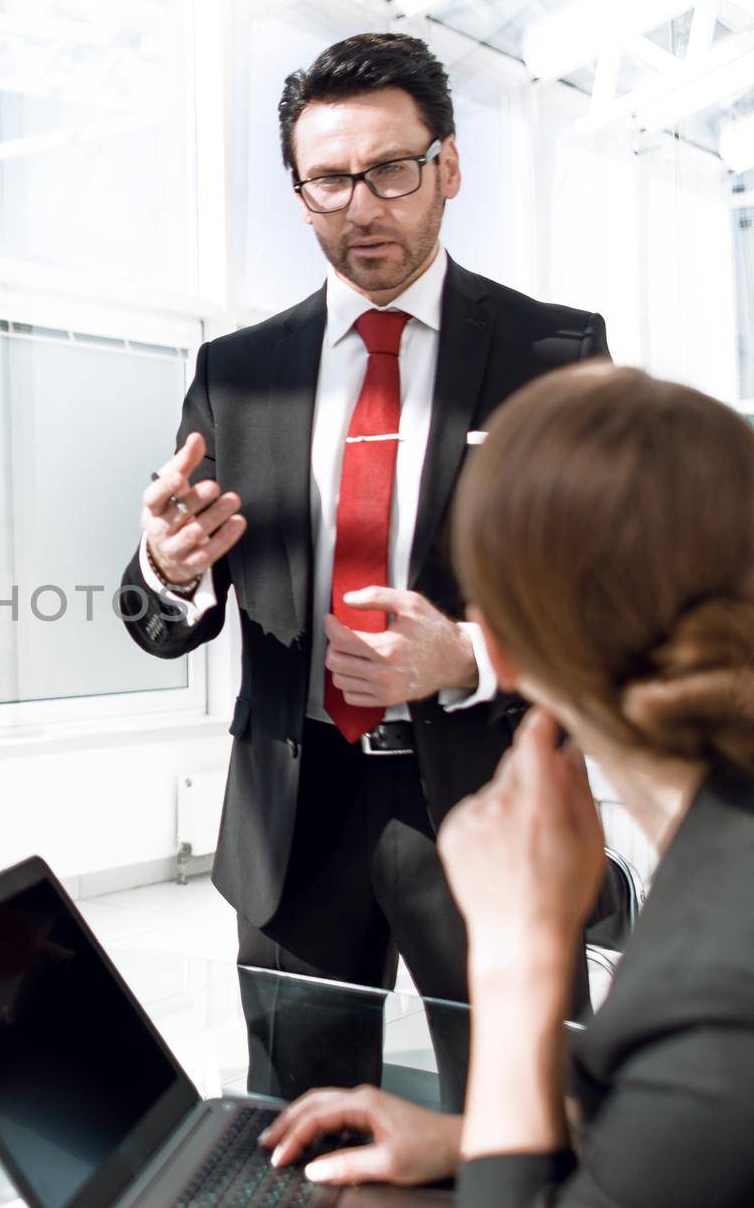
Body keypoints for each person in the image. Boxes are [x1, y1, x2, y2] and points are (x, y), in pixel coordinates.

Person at [117, 32, 608, 1103]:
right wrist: (168, 563)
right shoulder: (236, 373)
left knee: (526, 1118)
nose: (361, 203)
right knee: (299, 1137)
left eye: (391, 168)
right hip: (293, 825)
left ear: (449, 166)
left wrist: (468, 654)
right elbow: (161, 617)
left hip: (489, 805)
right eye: (330, 178)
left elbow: (613, 610)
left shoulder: (553, 356)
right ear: (299, 193)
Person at [257, 363, 754, 1205]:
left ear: (515, 639)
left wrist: (518, 955)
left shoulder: (714, 990)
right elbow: (685, 1143)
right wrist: (470, 1137)